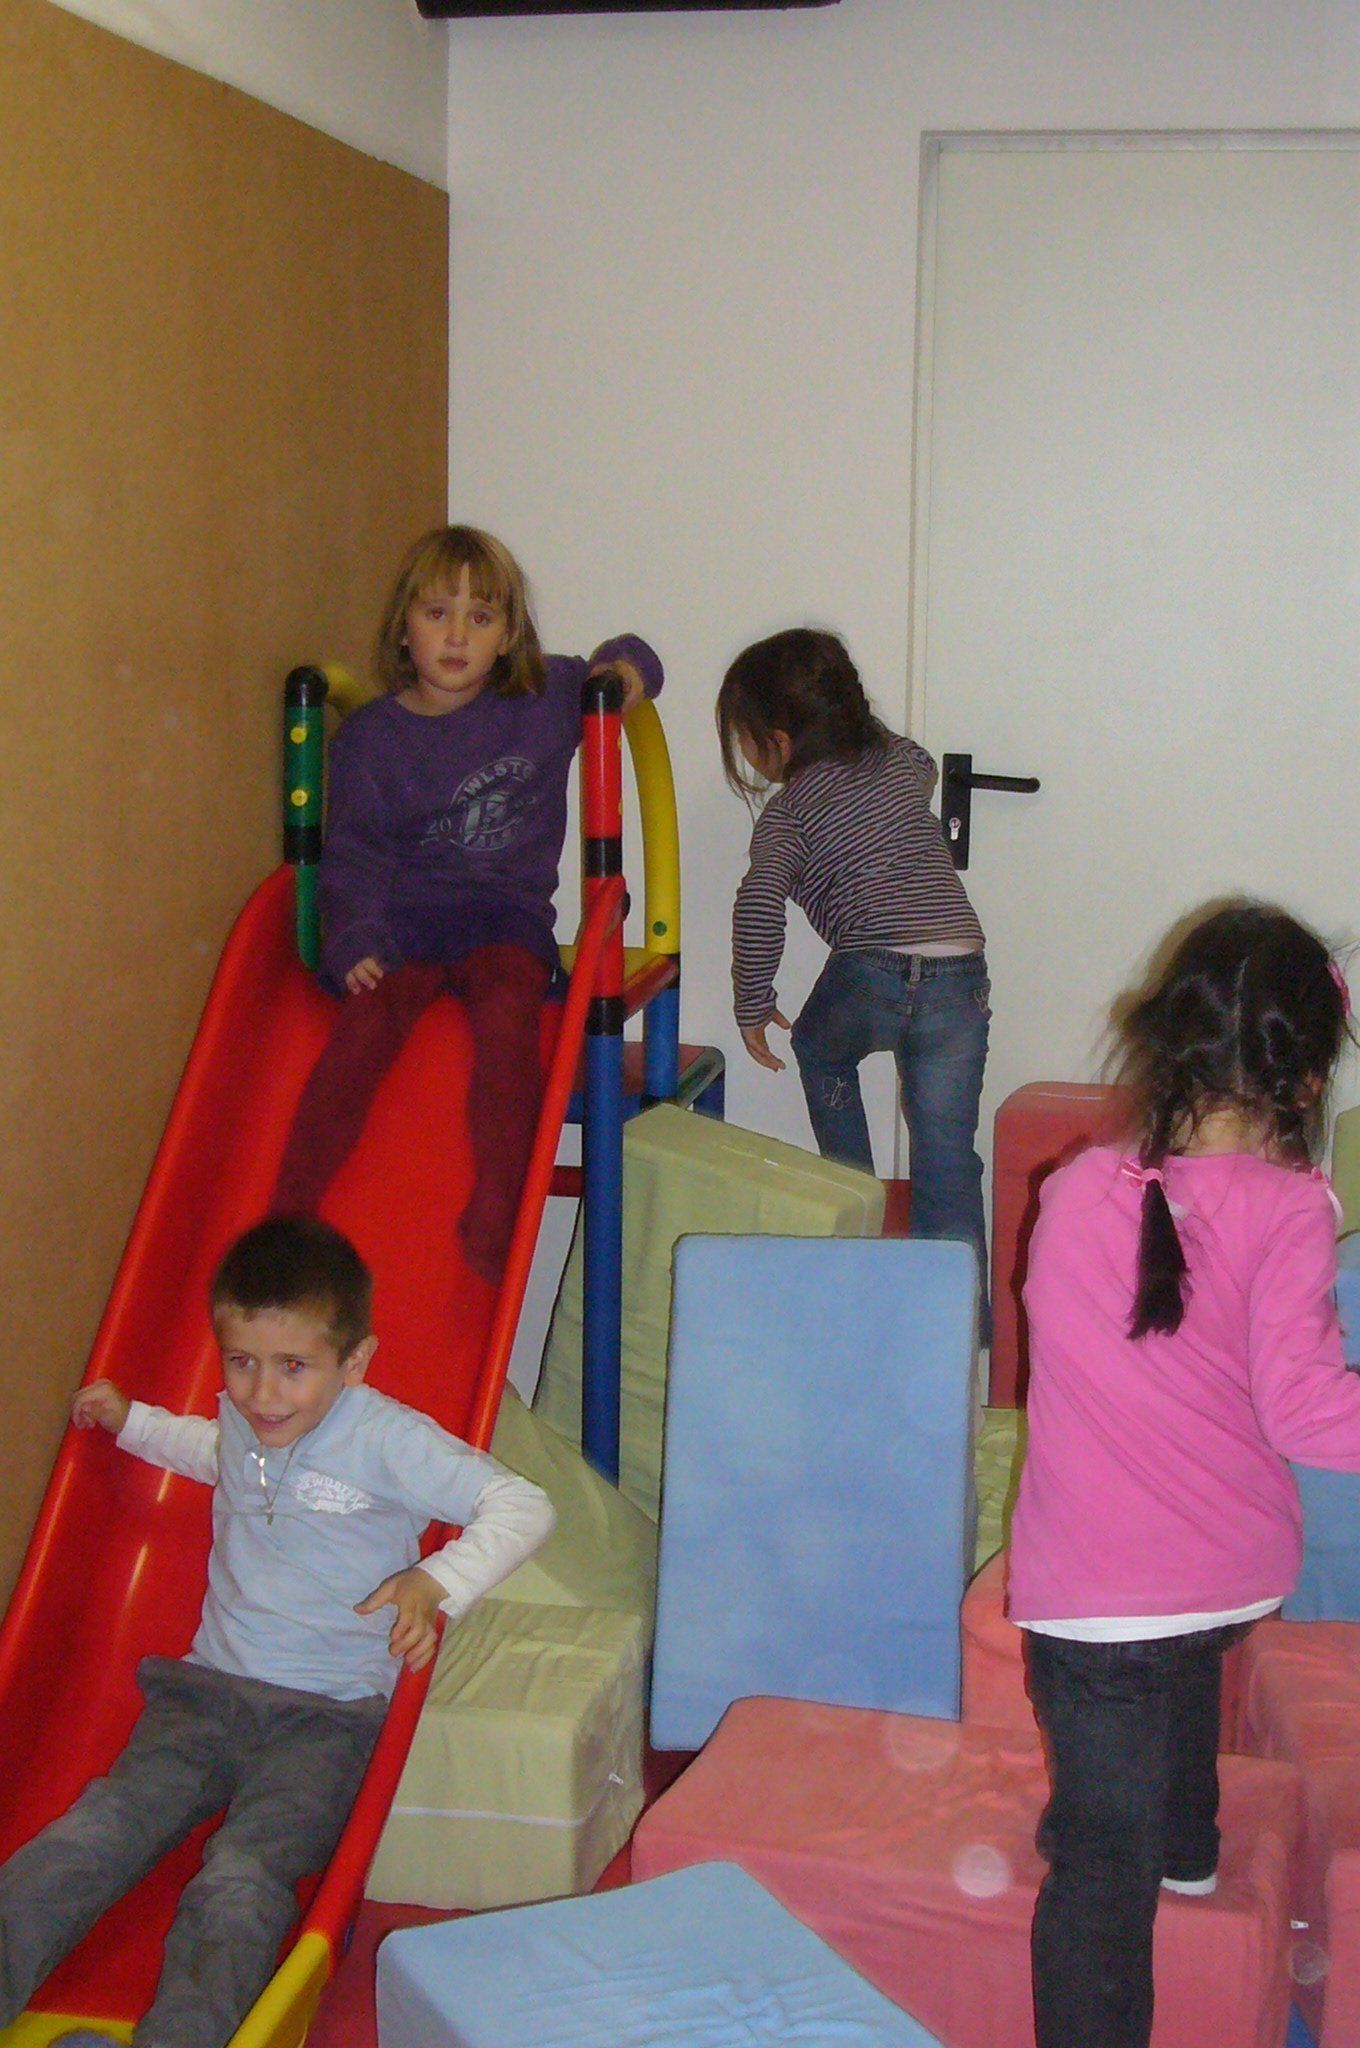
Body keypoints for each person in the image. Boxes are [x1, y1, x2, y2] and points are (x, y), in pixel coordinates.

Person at [0, 1215, 555, 2048]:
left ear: (354, 1362)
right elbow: (211, 1449)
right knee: (96, 1829)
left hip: (325, 1721)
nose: (262, 1394)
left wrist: (435, 1581)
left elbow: (522, 1506)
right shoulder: (243, 1419)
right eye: (241, 1362)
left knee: (241, 1877)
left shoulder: (386, 1439)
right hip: (203, 1696)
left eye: (294, 1367)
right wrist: (131, 1422)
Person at [1007, 902, 1360, 2048]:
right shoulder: (1290, 1207)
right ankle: (1190, 1847)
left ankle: (1142, 1842)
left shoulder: (1075, 1189)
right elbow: (1306, 1411)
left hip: (1092, 1596)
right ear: (1304, 1080)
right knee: (1181, 1661)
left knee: (1094, 1869)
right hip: (1228, 1574)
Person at [273, 524, 662, 1282]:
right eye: (436, 614)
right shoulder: (370, 739)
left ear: (507, 635)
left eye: (480, 618)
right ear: (403, 628)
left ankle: (499, 1205)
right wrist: (353, 937)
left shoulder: (541, 699)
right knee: (363, 1028)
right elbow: (352, 855)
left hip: (504, 920)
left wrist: (622, 674)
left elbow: (636, 657)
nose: (456, 636)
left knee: (509, 1022)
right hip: (403, 921)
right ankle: (290, 1215)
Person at [717, 626, 990, 1318]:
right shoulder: (899, 762)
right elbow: (924, 763)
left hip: (873, 966)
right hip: (959, 970)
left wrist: (754, 1001)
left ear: (778, 742)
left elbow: (758, 901)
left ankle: (853, 1193)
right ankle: (960, 1335)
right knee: (947, 1158)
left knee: (818, 1046)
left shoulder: (787, 815)